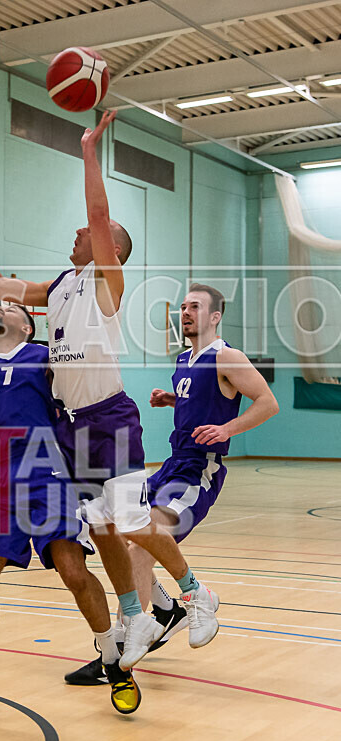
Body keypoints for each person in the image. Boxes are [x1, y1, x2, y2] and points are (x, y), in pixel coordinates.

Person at [0, 112, 218, 671]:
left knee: (129, 521)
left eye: (86, 232)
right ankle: (136, 613)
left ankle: (195, 593)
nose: (77, 232)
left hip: (107, 415)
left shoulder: (105, 281)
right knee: (99, 526)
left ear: (109, 246)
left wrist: (90, 152)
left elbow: (98, 211)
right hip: (71, 425)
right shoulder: (61, 286)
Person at [0, 303, 142, 718]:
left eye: (11, 307)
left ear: (25, 325)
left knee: (72, 571)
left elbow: (85, 390)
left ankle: (114, 660)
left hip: (49, 472)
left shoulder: (44, 357)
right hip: (2, 480)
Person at [66, 283, 279, 685]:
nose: (185, 312)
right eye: (183, 306)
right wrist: (171, 400)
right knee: (127, 534)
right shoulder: (184, 358)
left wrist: (227, 428)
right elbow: (202, 399)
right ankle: (167, 608)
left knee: (142, 545)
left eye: (195, 307)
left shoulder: (227, 356)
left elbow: (267, 402)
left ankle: (124, 645)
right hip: (170, 463)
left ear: (215, 316)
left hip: (198, 470)